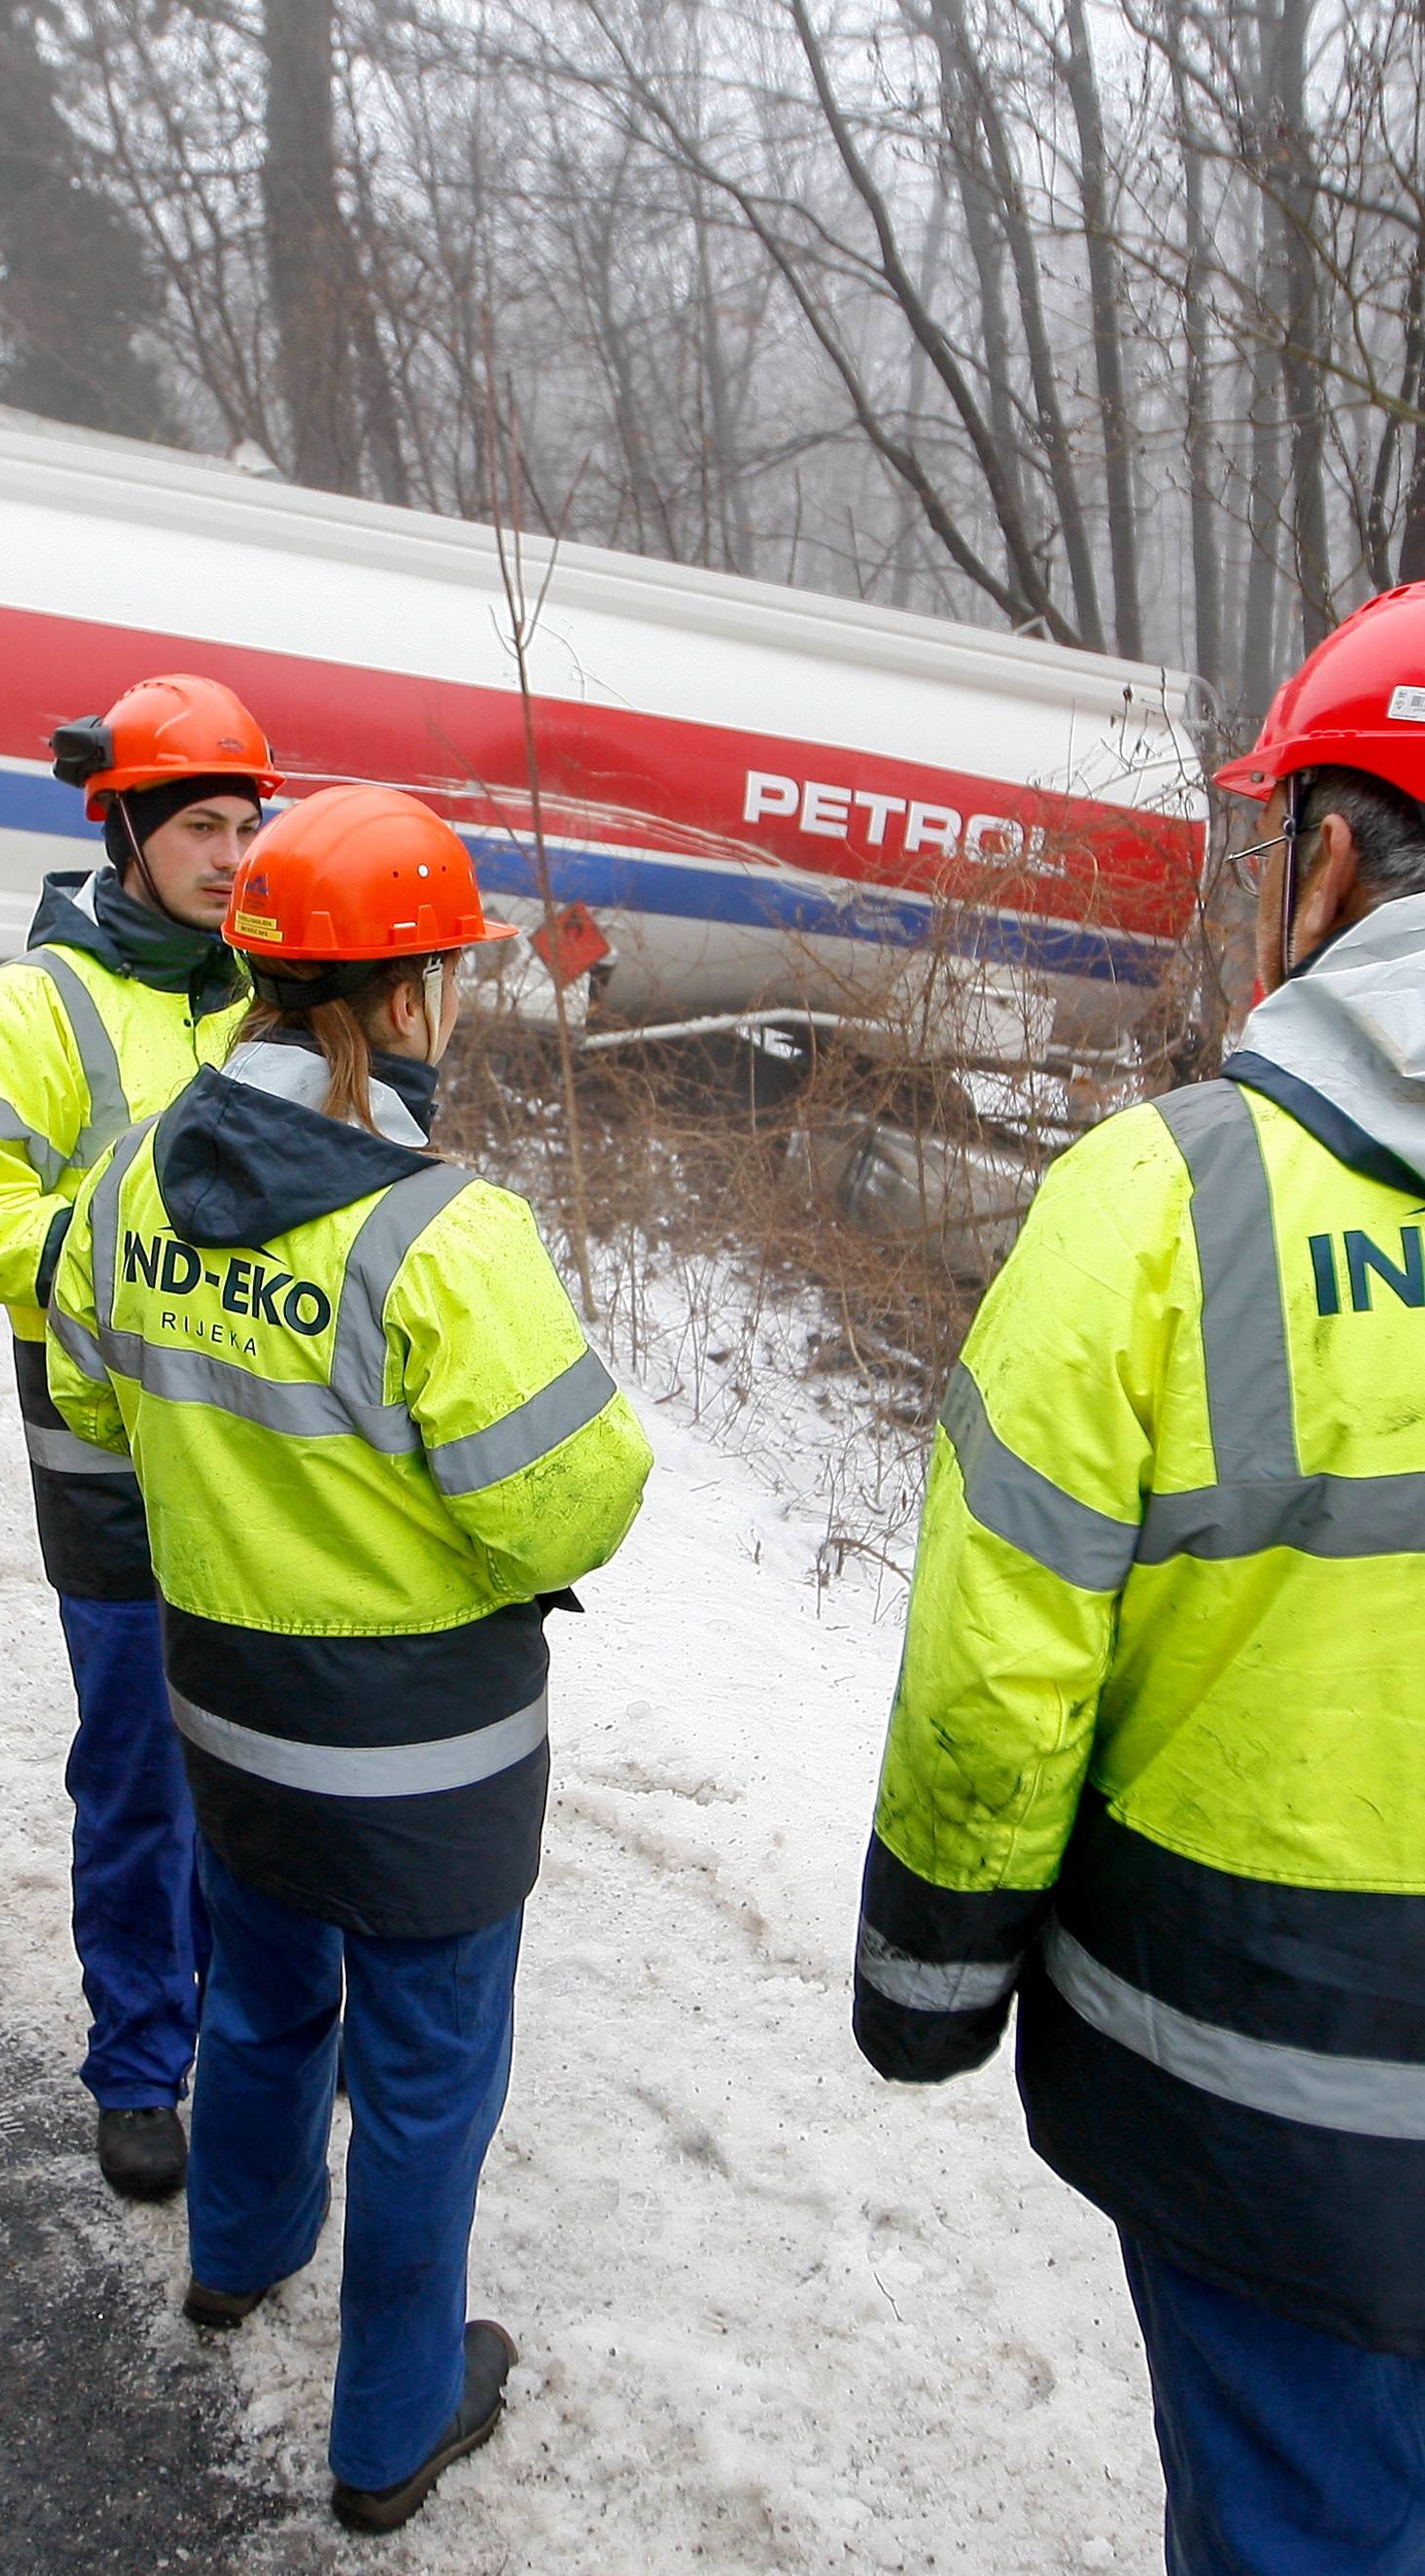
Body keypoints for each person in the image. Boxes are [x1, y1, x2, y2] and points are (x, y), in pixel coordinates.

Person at [852, 582, 1425, 2574]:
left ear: (1326, 855)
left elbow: (998, 1670)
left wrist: (929, 1985)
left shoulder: (1163, 1200)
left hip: (1270, 2121)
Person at [46, 783, 652, 2531]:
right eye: (446, 972)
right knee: (424, 2081)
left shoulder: (131, 1182)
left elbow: (95, 1394)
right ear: (404, 1003)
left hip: (226, 1723)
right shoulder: (442, 1232)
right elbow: (569, 1509)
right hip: (426, 1769)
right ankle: (389, 2427)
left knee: (261, 2001)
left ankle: (232, 2259)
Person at [0, 673, 278, 2199]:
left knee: (259, 1778)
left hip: (263, 1470)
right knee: (142, 1772)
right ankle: (140, 2062)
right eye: (203, 822)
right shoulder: (29, 1006)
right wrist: (157, 1251)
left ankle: (248, 2036)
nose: (234, 853)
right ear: (124, 825)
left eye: (250, 824)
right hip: (113, 1465)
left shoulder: (269, 997)